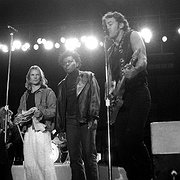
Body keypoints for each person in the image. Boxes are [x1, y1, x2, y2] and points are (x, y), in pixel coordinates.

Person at [102, 11, 152, 180]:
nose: (107, 27)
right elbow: (110, 79)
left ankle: (148, 176)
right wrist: (109, 92)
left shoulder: (133, 35)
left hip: (138, 93)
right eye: (106, 24)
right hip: (121, 102)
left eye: (110, 23)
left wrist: (135, 70)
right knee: (121, 146)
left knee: (133, 138)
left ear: (121, 24)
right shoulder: (109, 51)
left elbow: (142, 58)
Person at [56, 50, 100, 180]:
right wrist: (61, 128)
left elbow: (95, 97)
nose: (67, 65)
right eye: (64, 63)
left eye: (70, 61)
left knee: (89, 155)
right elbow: (60, 108)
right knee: (74, 158)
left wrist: (94, 117)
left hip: (86, 120)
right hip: (70, 122)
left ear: (77, 62)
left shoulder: (88, 76)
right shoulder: (61, 85)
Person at [16, 65, 57, 180]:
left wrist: (40, 112)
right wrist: (18, 118)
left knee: (44, 164)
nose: (35, 77)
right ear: (28, 78)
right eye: (32, 75)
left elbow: (53, 111)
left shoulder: (48, 92)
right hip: (28, 131)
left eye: (37, 75)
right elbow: (19, 111)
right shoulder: (25, 95)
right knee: (29, 165)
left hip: (42, 130)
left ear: (41, 77)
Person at [0, 106, 13, 180]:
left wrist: (10, 144)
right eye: (8, 116)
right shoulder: (2, 128)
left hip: (8, 155)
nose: (10, 117)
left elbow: (15, 139)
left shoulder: (12, 127)